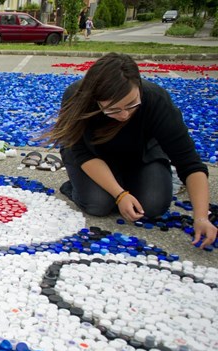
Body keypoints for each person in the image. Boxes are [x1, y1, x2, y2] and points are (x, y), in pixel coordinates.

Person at [45, 53, 215, 248]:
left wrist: (201, 216)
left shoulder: (156, 100)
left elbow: (189, 163)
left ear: (139, 88)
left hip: (140, 154)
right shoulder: (77, 97)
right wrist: (120, 194)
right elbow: (83, 153)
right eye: (113, 109)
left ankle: (124, 179)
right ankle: (77, 185)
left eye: (131, 104)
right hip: (92, 157)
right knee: (98, 204)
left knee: (153, 206)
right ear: (96, 99)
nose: (124, 115)